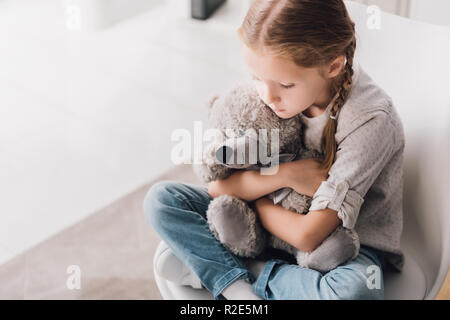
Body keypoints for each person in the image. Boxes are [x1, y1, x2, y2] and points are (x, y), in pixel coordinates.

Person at [143, 0, 405, 300]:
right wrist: (285, 176)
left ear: (333, 65)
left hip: (339, 248)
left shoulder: (369, 120)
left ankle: (232, 269)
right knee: (162, 201)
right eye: (256, 78)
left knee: (354, 293)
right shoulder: (275, 88)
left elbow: (308, 236)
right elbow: (217, 186)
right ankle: (239, 290)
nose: (267, 97)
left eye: (284, 84)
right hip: (263, 223)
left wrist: (252, 202)